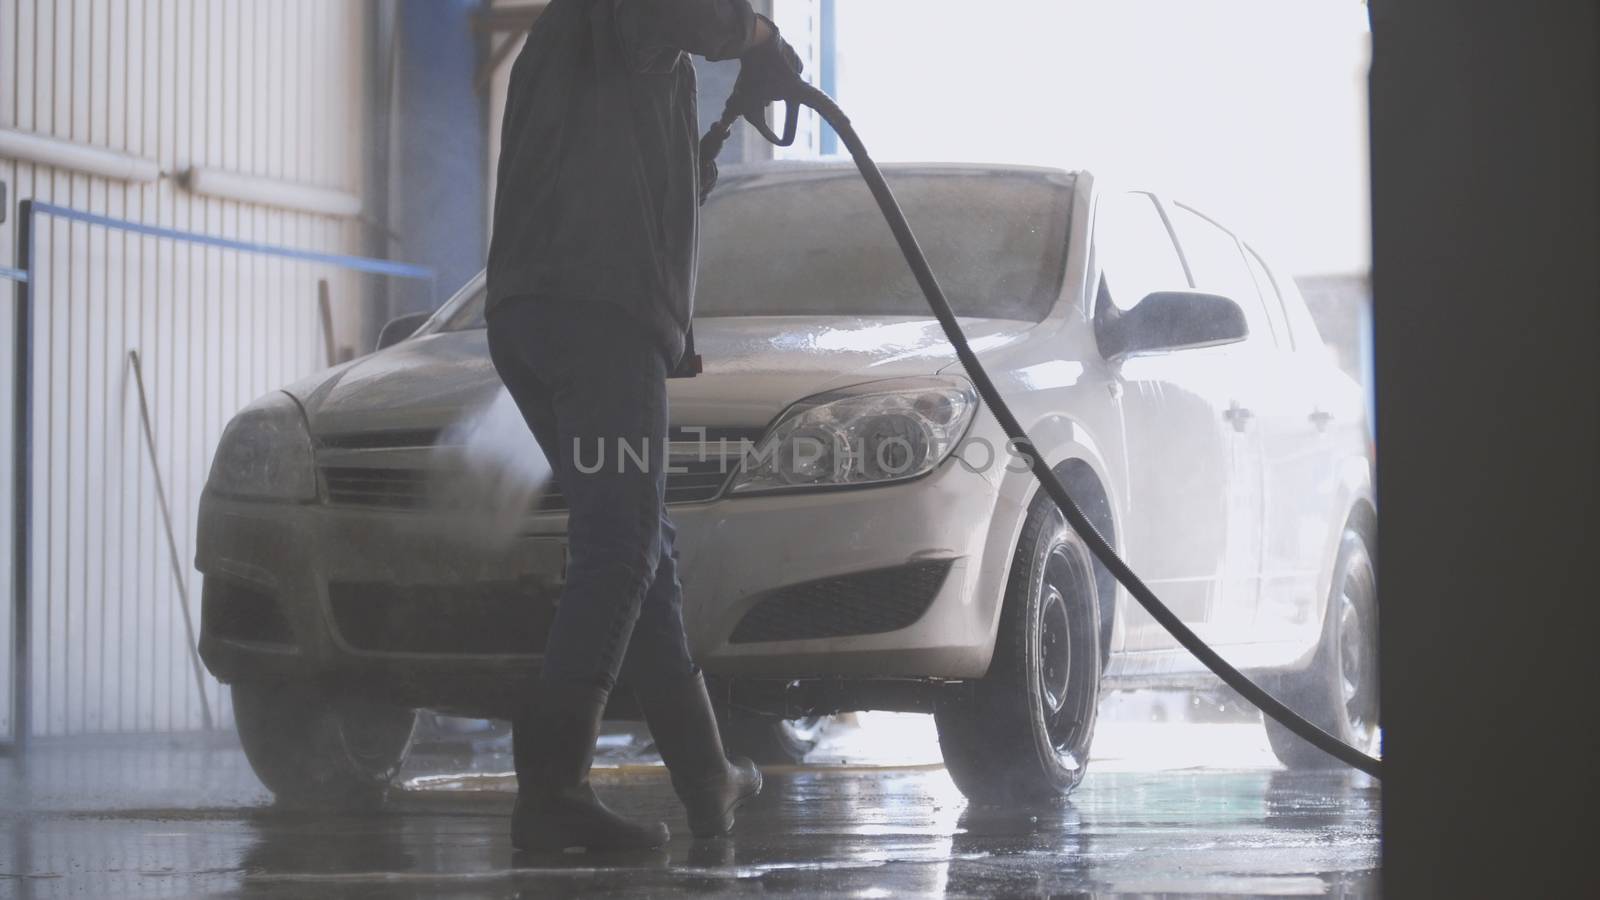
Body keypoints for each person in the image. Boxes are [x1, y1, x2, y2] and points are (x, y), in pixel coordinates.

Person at [483, 0, 803, 853]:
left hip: (539, 312)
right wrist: (762, 41)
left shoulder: (591, 46)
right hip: (596, 314)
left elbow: (622, 181)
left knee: (640, 547)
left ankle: (708, 780)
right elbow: (698, 16)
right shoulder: (622, 14)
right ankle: (551, 788)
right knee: (621, 544)